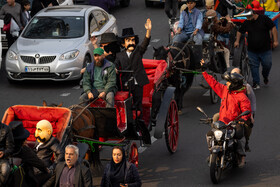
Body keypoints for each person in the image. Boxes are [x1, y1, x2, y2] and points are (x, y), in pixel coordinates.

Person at [201, 60, 251, 168]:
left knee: (240, 139)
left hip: (233, 124)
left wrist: (242, 119)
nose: (226, 83)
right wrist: (204, 71)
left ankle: (242, 157)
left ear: (234, 84)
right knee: (210, 135)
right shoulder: (224, 90)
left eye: (228, 82)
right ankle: (212, 153)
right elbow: (213, 83)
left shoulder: (243, 97)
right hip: (222, 123)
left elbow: (246, 110)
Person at [115, 18, 152, 118]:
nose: (131, 42)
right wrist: (115, 69)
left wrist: (148, 30)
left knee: (138, 104)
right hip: (125, 84)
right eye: (128, 40)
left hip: (137, 83)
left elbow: (145, 43)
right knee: (126, 105)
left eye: (132, 40)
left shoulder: (138, 51)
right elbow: (115, 64)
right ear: (123, 43)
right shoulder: (119, 55)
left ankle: (140, 124)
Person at [234, 9, 278, 89]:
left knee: (267, 65)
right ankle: (256, 82)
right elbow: (239, 31)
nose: (247, 18)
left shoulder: (264, 19)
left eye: (248, 16)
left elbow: (273, 28)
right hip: (252, 50)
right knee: (254, 66)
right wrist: (237, 41)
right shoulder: (247, 22)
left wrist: (275, 41)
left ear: (253, 14)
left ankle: (265, 76)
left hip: (265, 49)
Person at [9, 121, 50, 186]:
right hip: (25, 182)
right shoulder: (24, 151)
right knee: (51, 174)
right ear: (21, 141)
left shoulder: (4, 148)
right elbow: (39, 163)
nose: (26, 141)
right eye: (24, 139)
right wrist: (45, 169)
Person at [231, 68, 256, 152]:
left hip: (244, 112)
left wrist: (251, 115)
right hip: (231, 112)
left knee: (248, 125)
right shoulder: (227, 87)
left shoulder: (246, 87)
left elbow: (252, 102)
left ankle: (246, 141)